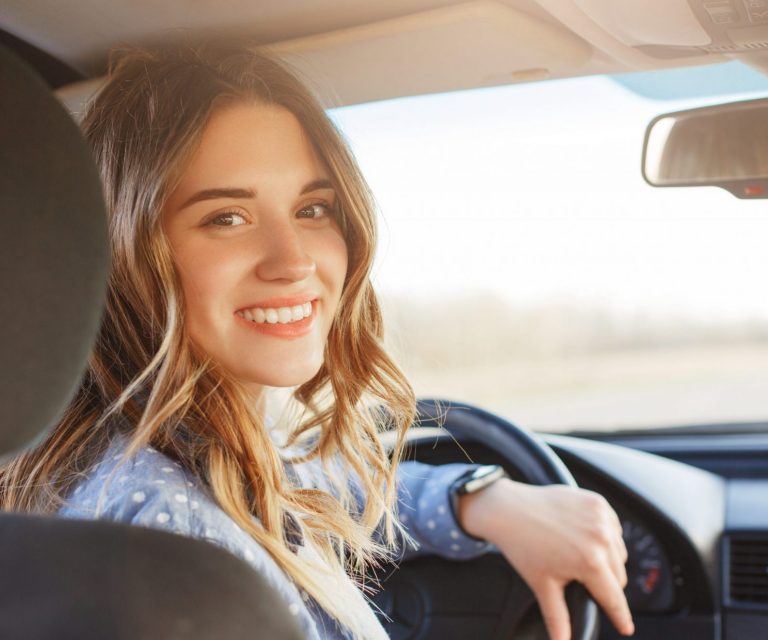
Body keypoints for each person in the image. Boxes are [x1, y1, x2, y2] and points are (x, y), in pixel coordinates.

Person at [0, 40, 633, 640]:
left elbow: (314, 486)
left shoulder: (175, 454)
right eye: (227, 217)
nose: (294, 261)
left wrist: (479, 500)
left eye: (312, 209)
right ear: (126, 250)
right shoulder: (179, 535)